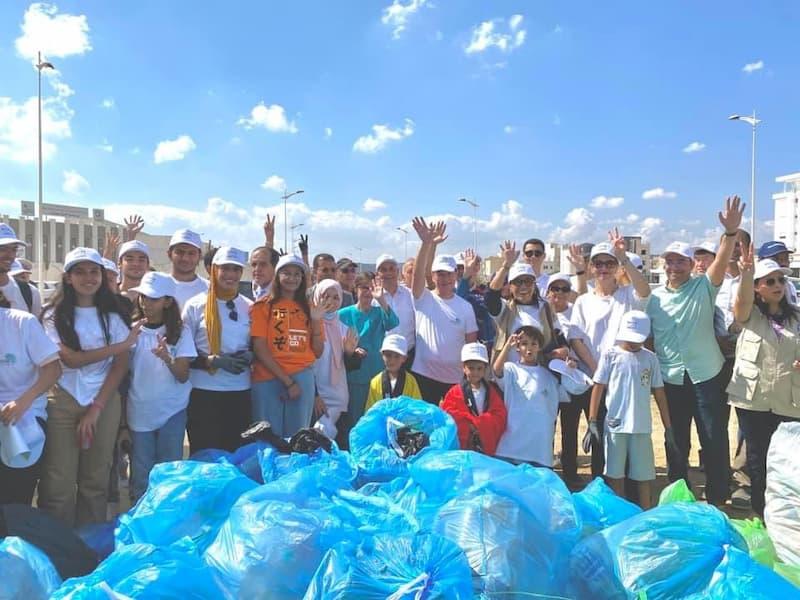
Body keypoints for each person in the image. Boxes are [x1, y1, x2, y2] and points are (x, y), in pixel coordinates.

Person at [646, 196, 744, 506]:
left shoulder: (704, 287)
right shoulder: (654, 298)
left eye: (680, 261)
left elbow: (719, 264)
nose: (674, 266)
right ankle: (679, 496)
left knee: (713, 437)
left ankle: (717, 496)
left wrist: (729, 234)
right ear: (664, 265)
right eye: (670, 261)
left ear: (691, 264)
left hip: (707, 375)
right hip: (672, 379)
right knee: (676, 440)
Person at [39, 247, 135, 527]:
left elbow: (120, 366)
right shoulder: (53, 315)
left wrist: (96, 408)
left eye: (94, 271)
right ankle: (59, 546)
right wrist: (121, 345)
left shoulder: (114, 315)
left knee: (96, 479)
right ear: (68, 278)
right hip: (63, 400)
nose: (88, 278)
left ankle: (88, 543)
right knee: (59, 481)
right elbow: (71, 360)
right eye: (79, 272)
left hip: (103, 402)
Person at [571, 230, 652, 478]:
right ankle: (602, 488)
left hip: (624, 379)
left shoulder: (628, 295)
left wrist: (624, 258)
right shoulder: (584, 301)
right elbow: (576, 338)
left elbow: (645, 291)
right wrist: (598, 370)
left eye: (609, 263)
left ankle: (626, 487)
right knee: (597, 437)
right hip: (594, 378)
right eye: (598, 263)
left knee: (623, 435)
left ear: (617, 267)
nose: (604, 268)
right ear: (591, 268)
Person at [727, 247, 800, 516]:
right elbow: (741, 303)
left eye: (781, 280)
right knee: (757, 461)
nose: (777, 285)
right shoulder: (750, 316)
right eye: (770, 281)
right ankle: (761, 512)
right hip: (753, 400)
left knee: (787, 461)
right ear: (758, 287)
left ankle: (785, 517)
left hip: (789, 401)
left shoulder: (797, 317)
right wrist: (746, 274)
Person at [588, 311, 675, 509]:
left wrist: (668, 427)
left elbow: (659, 393)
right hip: (616, 424)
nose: (634, 343)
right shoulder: (611, 355)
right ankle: (621, 512)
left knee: (643, 475)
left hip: (641, 425)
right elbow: (598, 386)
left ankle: (644, 511)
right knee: (615, 473)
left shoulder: (650, 358)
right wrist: (592, 420)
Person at [126, 272, 196, 500]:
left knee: (169, 473)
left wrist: (167, 358)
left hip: (172, 412)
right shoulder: (132, 330)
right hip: (139, 412)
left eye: (153, 299)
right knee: (141, 474)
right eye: (143, 297)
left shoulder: (180, 331)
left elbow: (183, 375)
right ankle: (139, 523)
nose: (146, 303)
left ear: (167, 301)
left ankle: (166, 524)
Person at [183, 247, 253, 454]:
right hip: (204, 392)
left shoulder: (250, 306)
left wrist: (251, 355)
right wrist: (212, 361)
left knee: (236, 453)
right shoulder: (195, 305)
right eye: (224, 269)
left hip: (239, 391)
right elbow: (183, 352)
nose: (230, 275)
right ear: (213, 270)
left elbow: (257, 344)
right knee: (204, 453)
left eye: (236, 269)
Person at [251, 255, 327, 437]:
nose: (292, 278)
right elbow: (259, 347)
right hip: (268, 377)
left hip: (302, 377)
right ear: (277, 276)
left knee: (298, 438)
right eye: (286, 273)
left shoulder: (311, 308)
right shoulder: (263, 306)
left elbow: (318, 351)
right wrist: (288, 381)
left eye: (297, 274)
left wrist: (316, 321)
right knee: (269, 438)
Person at [0, 290, 61, 505]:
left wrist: (22, 403)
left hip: (26, 424)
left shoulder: (22, 323)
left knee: (16, 500)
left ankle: (15, 537)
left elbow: (53, 369)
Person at [410, 218, 478, 405]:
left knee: (456, 426)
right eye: (439, 273)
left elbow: (470, 344)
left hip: (455, 379)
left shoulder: (466, 307)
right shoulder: (423, 298)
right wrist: (426, 244)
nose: (444, 278)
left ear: (456, 275)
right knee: (424, 427)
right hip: (424, 376)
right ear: (432, 276)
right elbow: (417, 273)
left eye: (448, 273)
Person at [546, 273, 598, 485]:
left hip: (577, 377)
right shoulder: (542, 314)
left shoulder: (576, 312)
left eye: (564, 289)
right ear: (547, 291)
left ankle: (572, 472)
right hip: (550, 377)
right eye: (554, 288)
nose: (559, 293)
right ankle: (548, 470)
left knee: (572, 426)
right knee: (548, 426)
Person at [492, 325, 567, 467]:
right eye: (524, 344)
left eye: (534, 344)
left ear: (539, 347)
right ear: (518, 348)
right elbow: (496, 370)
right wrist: (507, 346)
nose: (529, 348)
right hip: (512, 442)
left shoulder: (548, 376)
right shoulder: (511, 369)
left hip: (538, 446)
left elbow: (568, 392)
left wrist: (569, 368)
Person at [486, 242, 570, 365]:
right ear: (510, 286)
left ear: (534, 284)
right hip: (510, 376)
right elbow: (491, 295)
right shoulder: (504, 309)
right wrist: (506, 266)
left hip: (540, 374)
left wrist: (563, 350)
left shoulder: (545, 308)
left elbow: (559, 337)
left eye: (528, 281)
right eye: (518, 282)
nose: (523, 286)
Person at [338, 272, 400, 422]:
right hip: (355, 375)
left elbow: (393, 323)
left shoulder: (379, 312)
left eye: (371, 288)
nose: (367, 292)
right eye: (364, 287)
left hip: (377, 374)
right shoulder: (343, 314)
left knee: (376, 418)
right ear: (356, 288)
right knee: (356, 418)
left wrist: (381, 299)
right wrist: (349, 350)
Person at [310, 279, 359, 439]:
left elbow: (349, 366)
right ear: (317, 296)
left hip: (338, 395)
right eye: (325, 296)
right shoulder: (310, 325)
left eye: (335, 297)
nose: (330, 301)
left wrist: (350, 353)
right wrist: (314, 395)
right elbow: (305, 363)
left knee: (331, 438)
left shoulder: (344, 329)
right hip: (316, 393)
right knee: (315, 434)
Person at [441, 342, 507, 455]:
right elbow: (449, 415)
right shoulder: (454, 392)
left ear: (485, 369)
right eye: (471, 368)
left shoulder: (492, 392)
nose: (475, 372)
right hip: (463, 447)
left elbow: (499, 415)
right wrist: (470, 426)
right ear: (463, 368)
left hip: (484, 443)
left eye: (479, 368)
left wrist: (479, 425)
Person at [375, 254, 416, 367]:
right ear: (377, 274)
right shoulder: (373, 299)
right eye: (383, 270)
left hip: (409, 358)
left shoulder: (410, 295)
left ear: (398, 272)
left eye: (392, 269)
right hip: (383, 359)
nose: (388, 273)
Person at [365, 334, 423, 411]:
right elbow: (370, 412)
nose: (392, 360)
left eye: (397, 356)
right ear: (382, 355)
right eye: (388, 355)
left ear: (404, 358)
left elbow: (417, 408)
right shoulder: (375, 382)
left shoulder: (411, 382)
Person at [0, 223, 41, 315]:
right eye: (2, 249)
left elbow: (33, 327)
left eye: (14, 249)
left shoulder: (30, 292)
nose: (10, 255)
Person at [166, 229, 209, 309]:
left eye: (191, 253)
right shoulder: (157, 286)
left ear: (199, 257)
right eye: (180, 252)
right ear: (169, 254)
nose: (185, 258)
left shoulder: (210, 289)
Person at [757, 240, 797, 305]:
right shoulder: (749, 288)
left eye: (786, 258)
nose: (784, 263)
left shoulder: (790, 285)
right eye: (776, 259)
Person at [118, 240, 150, 304]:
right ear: (119, 263)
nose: (136, 264)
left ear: (148, 265)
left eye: (141, 260)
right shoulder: (108, 293)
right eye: (129, 259)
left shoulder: (155, 297)